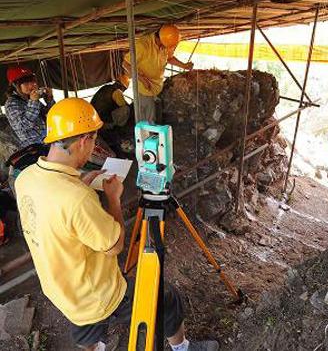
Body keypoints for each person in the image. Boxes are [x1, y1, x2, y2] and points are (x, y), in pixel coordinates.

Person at [15, 98, 218, 351]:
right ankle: (183, 348)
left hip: (61, 289)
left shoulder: (25, 178)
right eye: (93, 141)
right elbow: (115, 245)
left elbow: (55, 208)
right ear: (83, 141)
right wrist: (113, 199)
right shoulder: (77, 199)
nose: (93, 149)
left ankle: (95, 347)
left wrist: (81, 184)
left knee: (85, 330)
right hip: (98, 295)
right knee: (167, 298)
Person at [123, 24, 193, 124]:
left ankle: (153, 131)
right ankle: (147, 137)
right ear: (160, 39)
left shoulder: (165, 44)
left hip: (157, 85)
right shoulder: (143, 45)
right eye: (165, 46)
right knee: (147, 118)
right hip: (144, 87)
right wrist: (141, 79)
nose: (167, 49)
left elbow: (169, 58)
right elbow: (126, 63)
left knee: (155, 113)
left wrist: (184, 66)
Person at [4, 66, 54, 148]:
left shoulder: (28, 99)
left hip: (48, 139)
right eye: (26, 83)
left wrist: (49, 100)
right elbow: (24, 126)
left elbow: (48, 116)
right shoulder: (11, 104)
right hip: (36, 147)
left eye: (32, 81)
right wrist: (33, 102)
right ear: (15, 85)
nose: (31, 85)